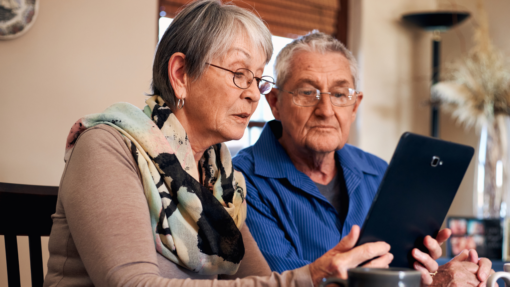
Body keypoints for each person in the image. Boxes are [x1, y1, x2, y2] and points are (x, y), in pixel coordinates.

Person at [43, 1, 396, 286]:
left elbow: (260, 279)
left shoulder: (220, 175)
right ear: (181, 75)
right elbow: (133, 282)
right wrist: (309, 276)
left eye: (258, 79)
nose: (252, 94)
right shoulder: (108, 147)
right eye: (239, 74)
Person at [232, 31, 495, 286]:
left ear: (355, 106)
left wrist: (436, 271)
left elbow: (399, 269)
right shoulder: (240, 182)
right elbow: (283, 284)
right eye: (307, 92)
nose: (326, 110)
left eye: (339, 95)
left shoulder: (379, 171)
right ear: (275, 103)